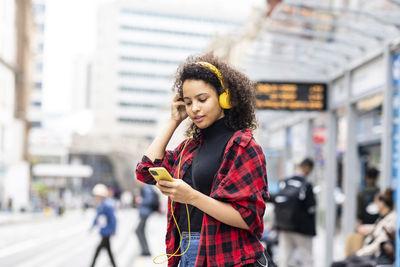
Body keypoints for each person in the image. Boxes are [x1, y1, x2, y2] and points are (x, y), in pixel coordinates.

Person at [136, 53, 270, 267]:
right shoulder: (190, 146)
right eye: (188, 102)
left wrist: (192, 197)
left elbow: (248, 218)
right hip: (188, 251)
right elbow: (146, 169)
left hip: (226, 257)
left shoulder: (243, 146)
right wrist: (174, 120)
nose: (194, 108)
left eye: (202, 99)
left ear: (225, 98)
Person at [331, 188, 396, 267]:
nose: (375, 205)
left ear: (382, 203)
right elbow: (378, 228)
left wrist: (361, 253)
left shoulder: (391, 219)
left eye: (376, 202)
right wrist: (368, 229)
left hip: (375, 256)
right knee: (338, 263)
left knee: (347, 264)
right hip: (370, 254)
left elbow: (380, 242)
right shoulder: (383, 217)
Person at [273, 158, 316, 267]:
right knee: (307, 258)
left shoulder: (285, 182)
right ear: (308, 168)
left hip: (284, 226)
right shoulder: (306, 185)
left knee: (284, 258)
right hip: (302, 229)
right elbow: (311, 208)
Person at [89, 184, 117, 267]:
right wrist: (92, 226)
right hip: (104, 231)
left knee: (98, 250)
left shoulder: (107, 205)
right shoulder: (101, 205)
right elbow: (97, 218)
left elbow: (113, 219)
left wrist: (113, 230)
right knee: (108, 251)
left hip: (107, 231)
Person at [135, 183, 159, 256]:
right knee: (140, 231)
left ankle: (146, 250)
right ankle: (145, 249)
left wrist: (140, 201)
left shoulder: (146, 188)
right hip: (144, 212)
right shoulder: (146, 188)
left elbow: (149, 200)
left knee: (138, 231)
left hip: (145, 213)